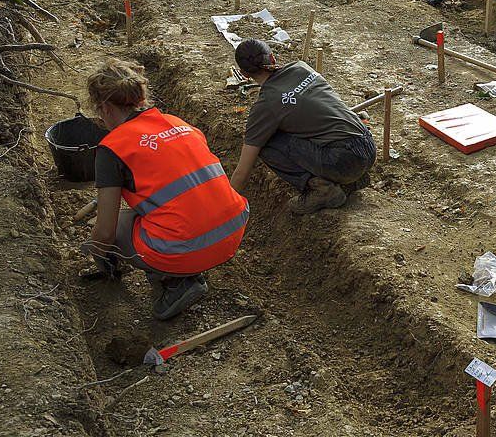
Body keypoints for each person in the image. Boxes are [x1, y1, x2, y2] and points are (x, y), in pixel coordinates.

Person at [86, 58, 248, 320]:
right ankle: (182, 267)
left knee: (114, 228)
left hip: (189, 247)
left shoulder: (112, 147)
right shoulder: (176, 122)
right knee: (151, 214)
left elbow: (104, 230)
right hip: (233, 231)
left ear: (104, 107)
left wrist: (97, 254)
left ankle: (177, 282)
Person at [230, 39, 376, 215]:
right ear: (272, 58)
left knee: (266, 143)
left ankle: (323, 191)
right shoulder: (301, 67)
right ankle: (352, 180)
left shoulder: (266, 104)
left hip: (343, 161)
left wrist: (226, 206)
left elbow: (243, 170)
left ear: (244, 74)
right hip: (368, 147)